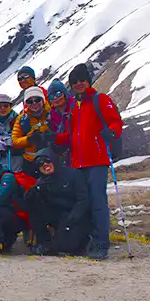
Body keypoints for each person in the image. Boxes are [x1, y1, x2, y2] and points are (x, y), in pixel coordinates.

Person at [55, 63, 123, 261]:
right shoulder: (75, 106)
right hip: (78, 163)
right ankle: (87, 242)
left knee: (97, 202)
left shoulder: (100, 100)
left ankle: (101, 244)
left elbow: (115, 121)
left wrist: (112, 133)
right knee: (83, 203)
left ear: (89, 80)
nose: (78, 84)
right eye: (74, 81)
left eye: (82, 80)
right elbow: (71, 135)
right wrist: (54, 138)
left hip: (97, 161)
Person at [24, 149, 90, 256]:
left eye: (47, 160)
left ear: (54, 160)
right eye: (40, 163)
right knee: (33, 200)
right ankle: (43, 241)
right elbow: (33, 205)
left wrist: (71, 220)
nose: (45, 164)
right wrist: (33, 192)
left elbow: (83, 201)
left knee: (66, 247)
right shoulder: (42, 182)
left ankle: (82, 240)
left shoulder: (73, 174)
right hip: (57, 216)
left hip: (75, 216)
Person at [11, 86, 53, 172]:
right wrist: (28, 139)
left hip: (52, 158)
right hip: (32, 161)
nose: (34, 103)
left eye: (37, 100)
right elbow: (14, 141)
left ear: (43, 100)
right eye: (30, 101)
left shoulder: (52, 112)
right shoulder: (22, 119)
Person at [46, 80, 72, 169]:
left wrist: (55, 138)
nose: (56, 98)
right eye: (51, 96)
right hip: (65, 155)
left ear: (65, 94)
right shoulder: (51, 117)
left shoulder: (76, 107)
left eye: (58, 94)